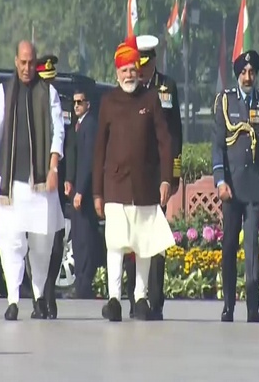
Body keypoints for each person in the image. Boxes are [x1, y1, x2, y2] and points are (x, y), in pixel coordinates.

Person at [0, 40, 66, 321]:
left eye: (31, 63)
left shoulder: (48, 92)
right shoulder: (3, 92)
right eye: (23, 62)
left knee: (42, 244)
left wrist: (53, 167)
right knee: (10, 242)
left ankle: (39, 296)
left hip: (40, 183)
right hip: (10, 185)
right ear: (16, 61)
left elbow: (57, 133)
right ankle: (13, 299)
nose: (27, 68)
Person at [93, 35, 175, 322]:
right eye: (124, 70)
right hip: (114, 186)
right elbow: (99, 148)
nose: (130, 74)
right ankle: (114, 298)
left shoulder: (151, 99)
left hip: (145, 187)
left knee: (143, 245)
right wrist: (97, 193)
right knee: (116, 243)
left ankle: (140, 296)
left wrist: (166, 179)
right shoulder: (108, 102)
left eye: (133, 69)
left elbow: (165, 142)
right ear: (117, 72)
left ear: (139, 71)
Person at [212, 50, 259, 323]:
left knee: (252, 247)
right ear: (238, 74)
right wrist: (219, 180)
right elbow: (217, 146)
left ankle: (253, 306)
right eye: (243, 72)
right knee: (229, 245)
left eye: (252, 72)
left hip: (254, 187)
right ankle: (228, 305)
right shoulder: (225, 102)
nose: (248, 77)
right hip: (231, 188)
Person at [121, 34, 183, 320]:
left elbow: (175, 134)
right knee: (133, 238)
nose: (141, 70)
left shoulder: (167, 87)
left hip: (158, 175)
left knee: (155, 238)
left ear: (154, 61)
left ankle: (154, 299)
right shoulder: (128, 88)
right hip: (133, 175)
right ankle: (135, 297)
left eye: (145, 64)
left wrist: (172, 175)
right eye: (137, 65)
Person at [24, 54, 76, 319]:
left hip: (55, 183)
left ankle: (48, 292)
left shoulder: (59, 101)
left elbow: (69, 143)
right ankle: (38, 298)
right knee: (35, 241)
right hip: (32, 182)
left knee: (55, 244)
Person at [67, 88, 102, 298]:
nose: (77, 105)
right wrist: (68, 182)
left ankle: (84, 283)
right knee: (78, 238)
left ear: (88, 104)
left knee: (86, 238)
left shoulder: (91, 125)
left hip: (86, 193)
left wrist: (80, 190)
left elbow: (89, 161)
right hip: (76, 190)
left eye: (80, 101)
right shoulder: (77, 125)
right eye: (74, 102)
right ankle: (80, 281)